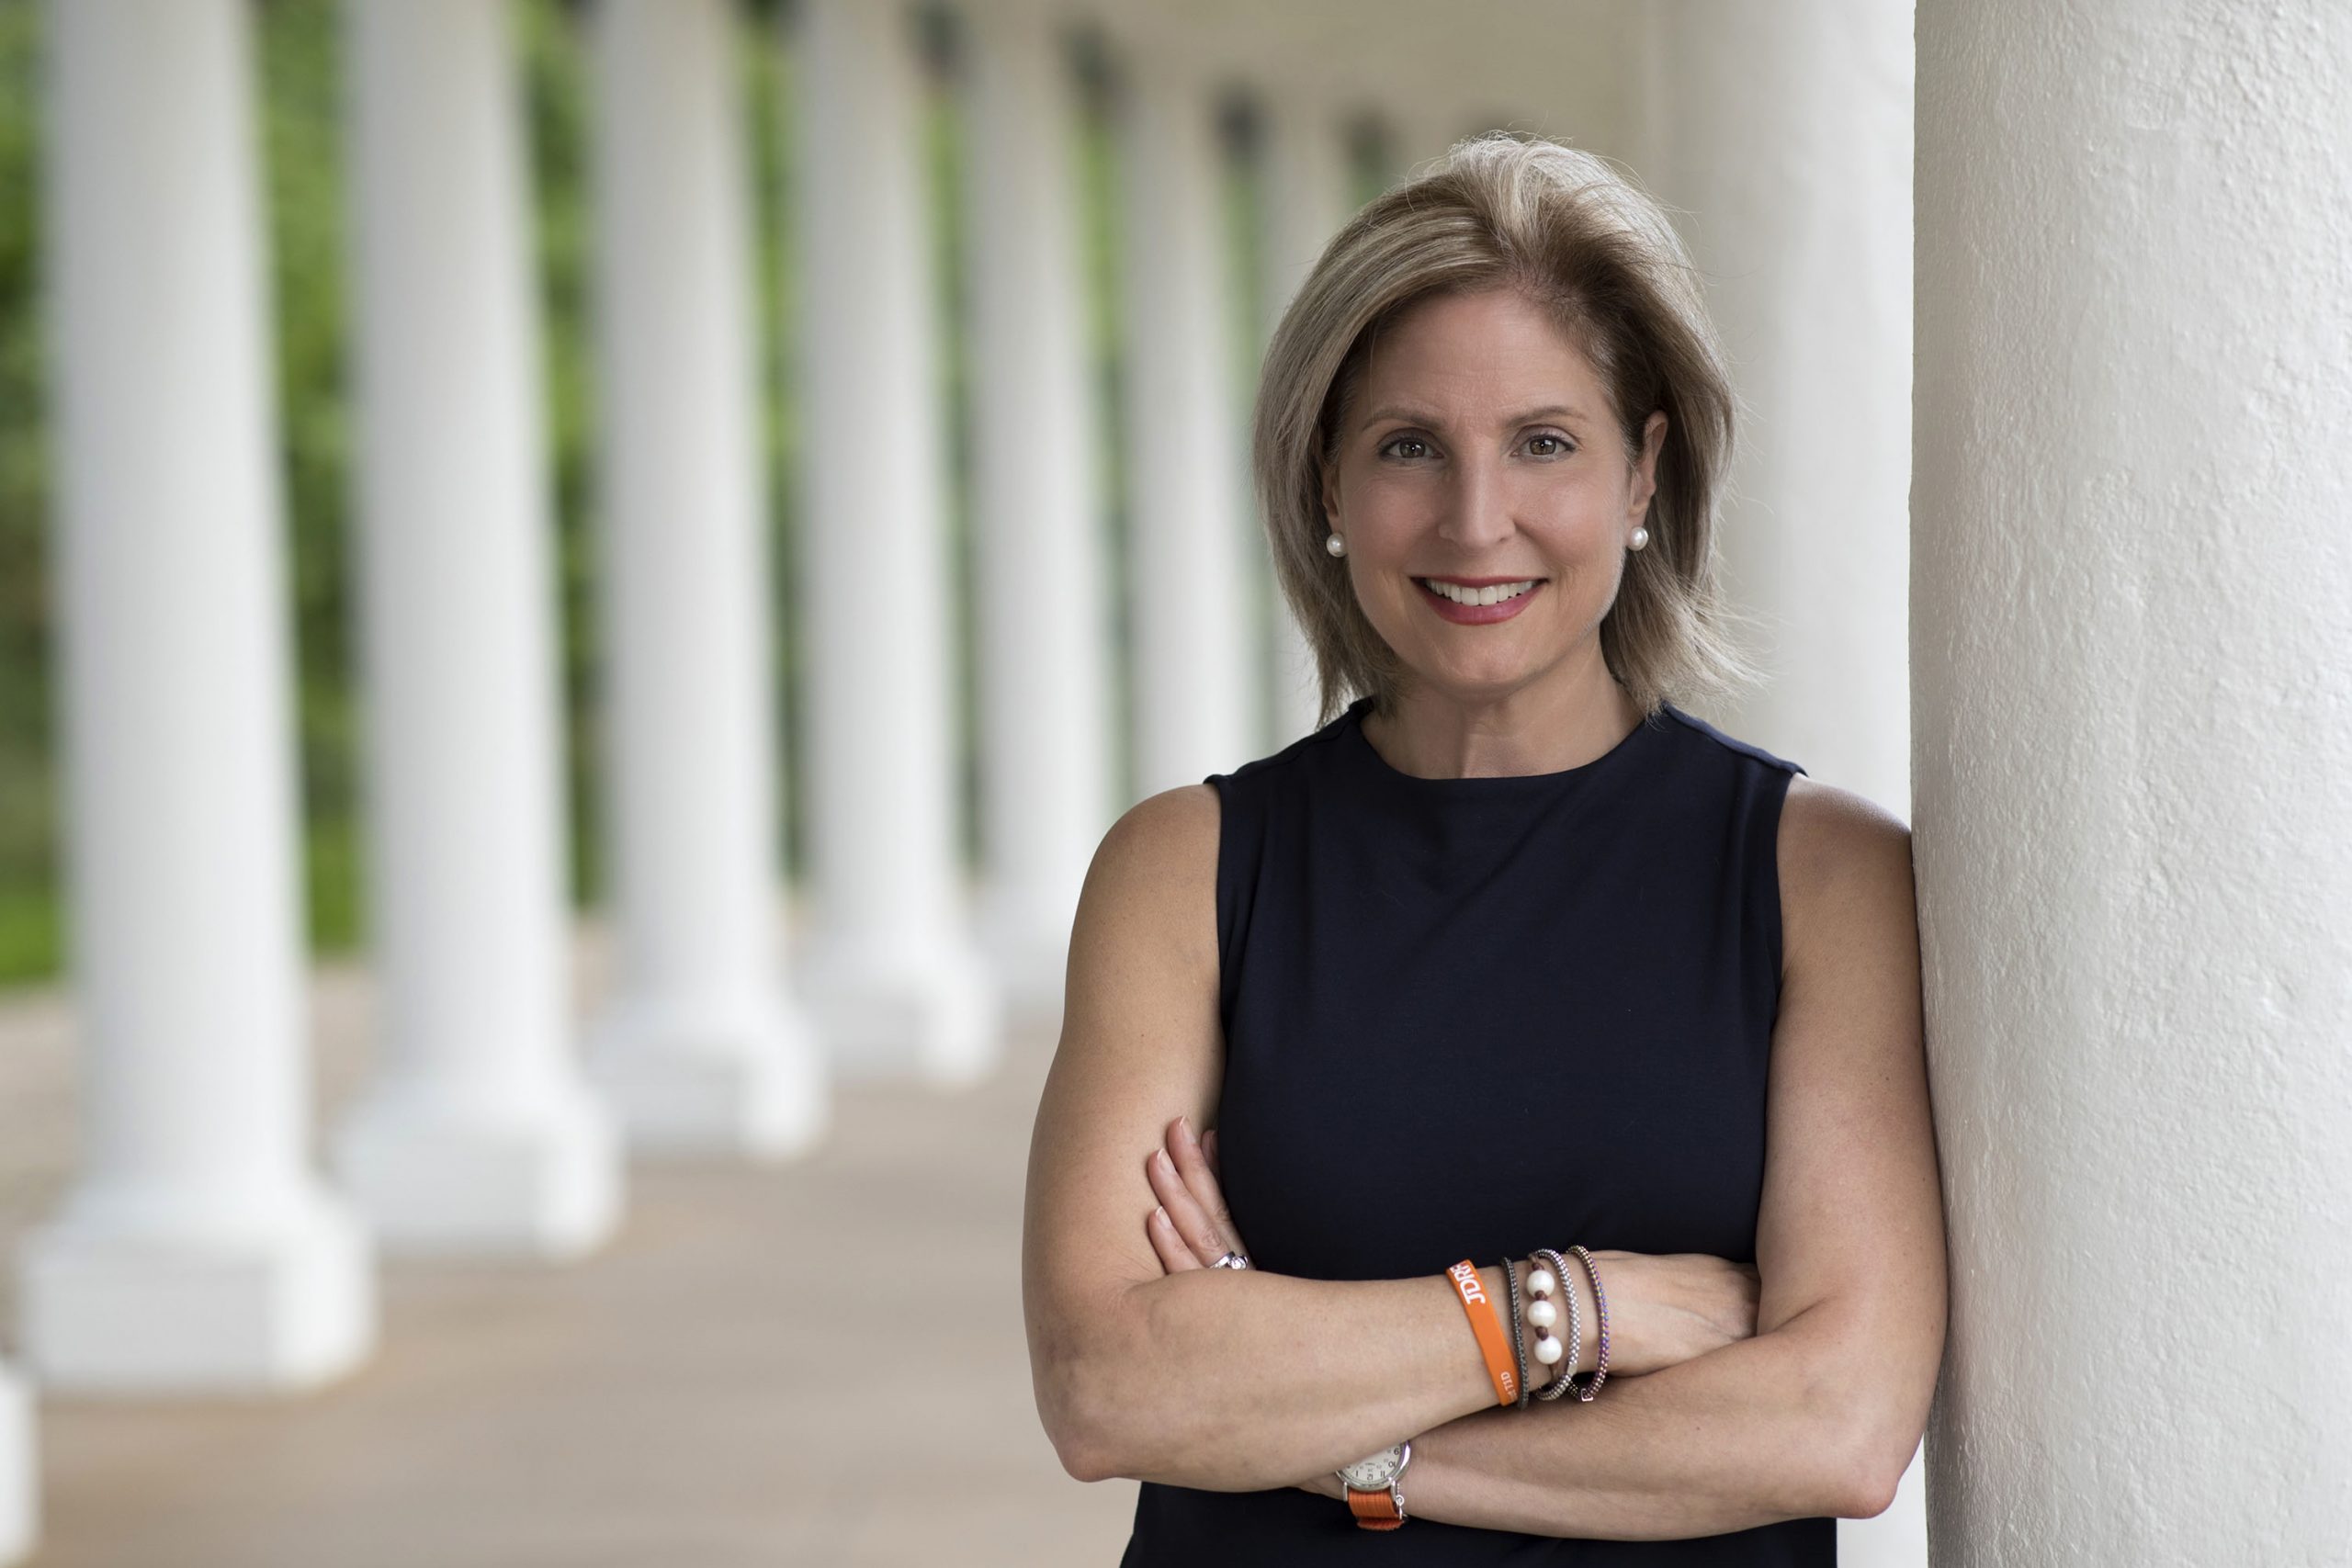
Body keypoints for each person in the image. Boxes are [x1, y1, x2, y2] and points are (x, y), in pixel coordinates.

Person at [1021, 131, 1946, 1562]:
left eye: (1544, 442)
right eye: (1407, 447)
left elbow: (1834, 1423)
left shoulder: (1818, 878)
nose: (1474, 519)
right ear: (1326, 479)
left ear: (1644, 475)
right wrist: (1587, 1310)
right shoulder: (1186, 872)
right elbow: (1107, 1386)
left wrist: (1339, 1439)